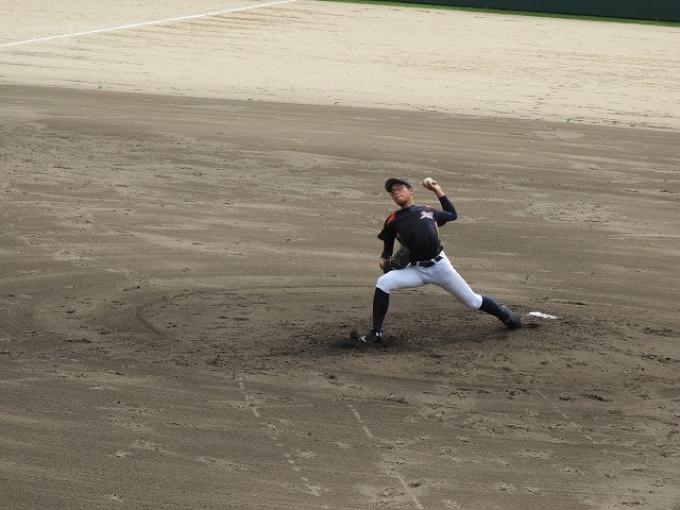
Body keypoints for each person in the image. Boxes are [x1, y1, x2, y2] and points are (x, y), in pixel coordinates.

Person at [354, 177, 522, 343]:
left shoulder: (427, 211)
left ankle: (505, 315)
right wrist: (383, 263)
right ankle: (376, 333)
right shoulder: (392, 220)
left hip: (441, 267)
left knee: (473, 301)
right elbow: (387, 251)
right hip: (416, 270)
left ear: (410, 191)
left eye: (399, 188)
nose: (395, 192)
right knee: (383, 282)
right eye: (392, 191)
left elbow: (452, 214)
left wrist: (437, 190)